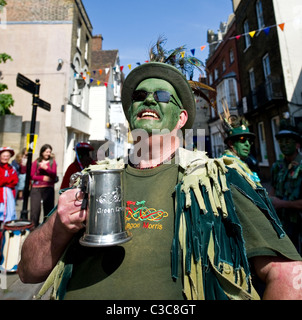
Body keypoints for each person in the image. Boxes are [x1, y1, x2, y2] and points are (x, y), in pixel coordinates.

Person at [18, 62, 302, 300]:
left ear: (181, 118)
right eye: (140, 96)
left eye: (163, 96)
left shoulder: (219, 179)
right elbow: (28, 271)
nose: (150, 100)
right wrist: (57, 225)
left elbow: (289, 276)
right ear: (130, 113)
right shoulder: (92, 178)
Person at [270, 121, 302, 254]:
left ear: (297, 145)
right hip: (282, 226)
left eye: (287, 141)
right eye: (281, 141)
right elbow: (273, 190)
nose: (283, 144)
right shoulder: (277, 167)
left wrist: (282, 203)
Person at [222, 115, 261, 186]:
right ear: (231, 143)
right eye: (242, 140)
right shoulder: (227, 164)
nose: (247, 144)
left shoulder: (242, 163)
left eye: (249, 141)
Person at [30, 144, 57, 228]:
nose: (48, 153)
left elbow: (53, 175)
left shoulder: (53, 162)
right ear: (42, 152)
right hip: (36, 188)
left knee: (48, 210)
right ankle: (33, 227)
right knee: (35, 210)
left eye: (49, 152)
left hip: (48, 188)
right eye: (46, 152)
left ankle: (47, 227)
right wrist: (43, 177)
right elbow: (32, 176)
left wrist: (46, 168)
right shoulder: (36, 162)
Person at [0, 147, 18, 224]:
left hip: (9, 196)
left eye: (7, 156)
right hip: (1, 196)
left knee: (9, 218)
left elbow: (15, 181)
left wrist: (5, 180)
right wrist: (8, 179)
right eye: (4, 156)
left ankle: (5, 235)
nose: (5, 158)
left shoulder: (12, 168)